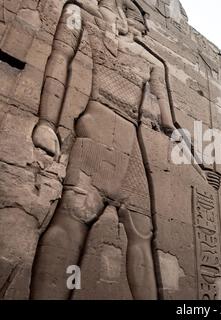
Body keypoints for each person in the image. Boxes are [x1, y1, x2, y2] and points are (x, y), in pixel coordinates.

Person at [31, 0, 175, 299]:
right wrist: (45, 122)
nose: (142, 25)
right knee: (73, 220)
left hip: (129, 147)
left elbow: (169, 122)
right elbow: (59, 58)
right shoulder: (82, 15)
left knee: (140, 236)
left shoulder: (153, 63)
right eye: (136, 15)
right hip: (98, 131)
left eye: (142, 20)